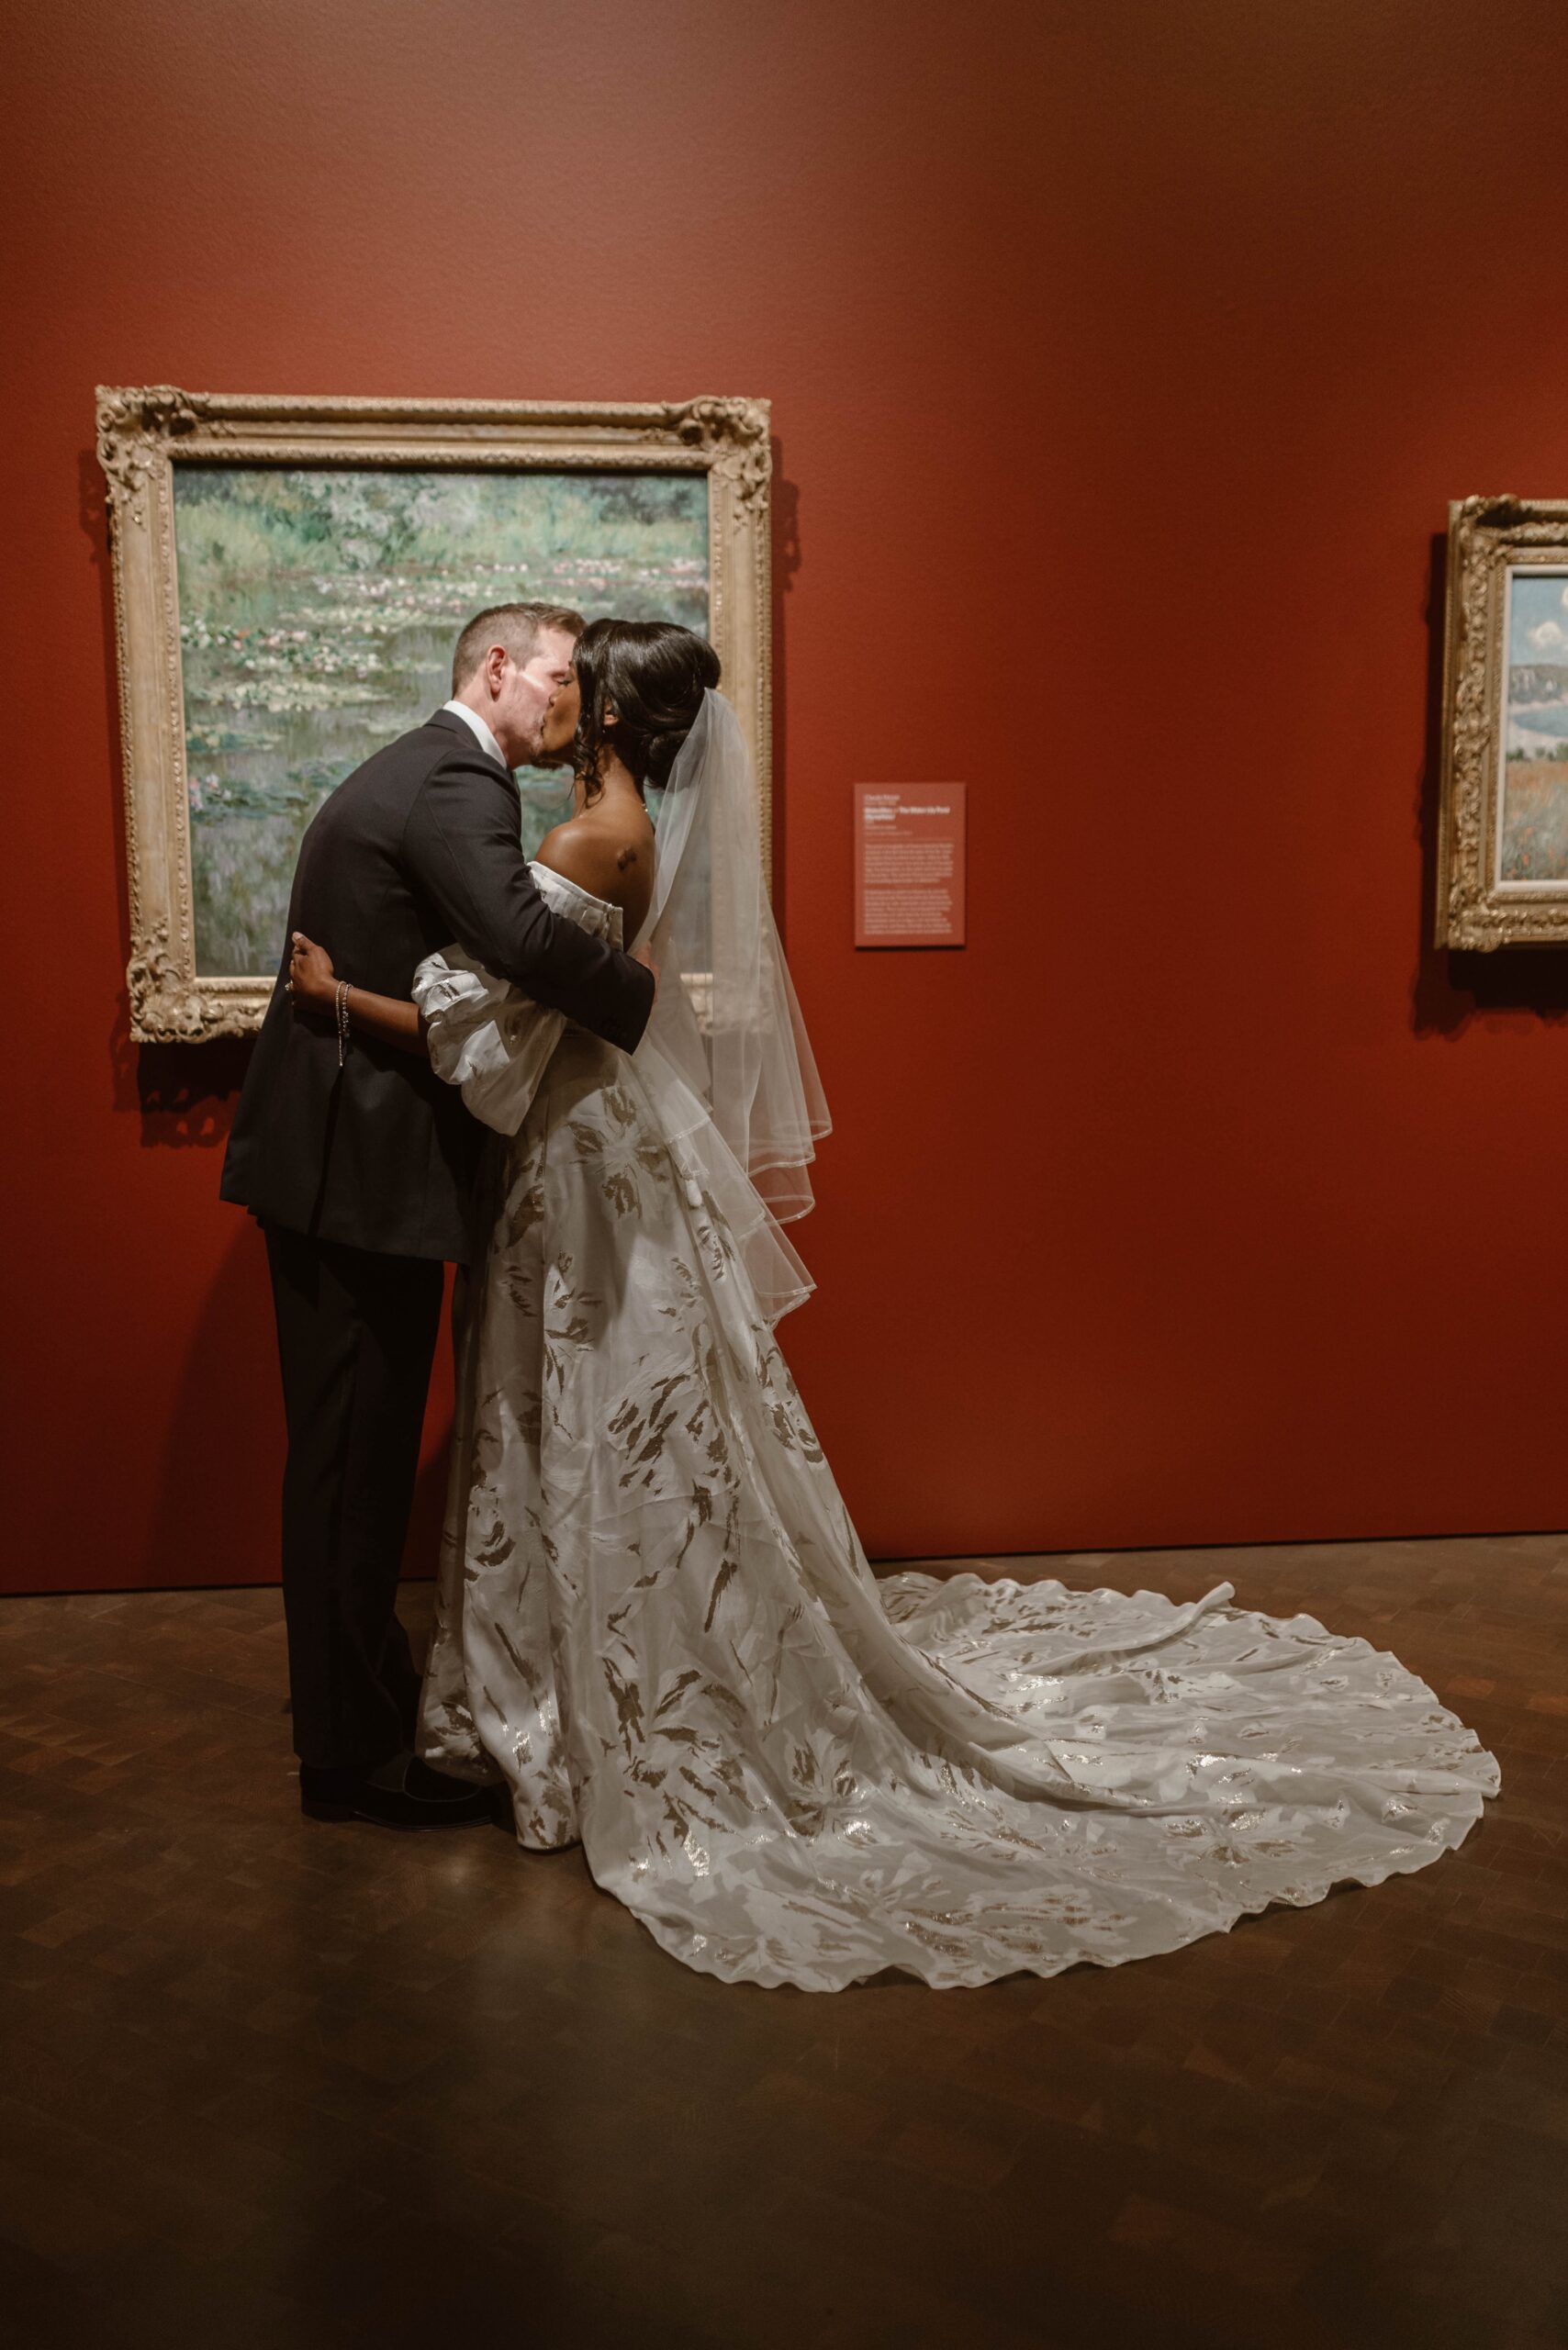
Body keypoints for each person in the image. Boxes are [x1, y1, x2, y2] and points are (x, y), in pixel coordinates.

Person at [287, 619, 1500, 1989]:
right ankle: (627, 1671)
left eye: (579, 687)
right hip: (605, 1154)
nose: (560, 705)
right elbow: (573, 1009)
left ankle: (589, 1701)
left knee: (586, 1417)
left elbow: (495, 1062)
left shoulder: (581, 844)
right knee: (646, 1429)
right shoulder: (626, 833)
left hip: (569, 1168)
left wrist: (360, 999)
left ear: (614, 724)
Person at [221, 602, 656, 1830]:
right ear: (497, 669)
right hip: (356, 1184)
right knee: (352, 1467)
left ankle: (353, 1716)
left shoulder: (416, 768)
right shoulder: (459, 782)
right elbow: (519, 936)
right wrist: (642, 998)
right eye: (561, 680)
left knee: (346, 1463)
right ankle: (352, 1762)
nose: (572, 706)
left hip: (340, 1173)